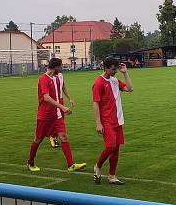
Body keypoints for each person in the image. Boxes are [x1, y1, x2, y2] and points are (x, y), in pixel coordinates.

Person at [27, 58, 86, 172]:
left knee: (63, 136)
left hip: (56, 115)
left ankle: (71, 165)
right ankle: (30, 163)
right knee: (38, 139)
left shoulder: (56, 78)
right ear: (56, 67)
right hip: (45, 115)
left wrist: (67, 101)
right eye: (61, 66)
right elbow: (46, 97)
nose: (62, 68)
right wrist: (63, 107)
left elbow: (61, 89)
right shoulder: (43, 78)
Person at [91, 57, 134, 185]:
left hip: (118, 120)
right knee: (110, 146)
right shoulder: (98, 83)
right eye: (113, 69)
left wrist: (125, 73)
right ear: (106, 67)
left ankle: (112, 175)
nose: (115, 71)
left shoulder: (115, 80)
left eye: (116, 68)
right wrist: (98, 123)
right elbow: (95, 103)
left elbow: (130, 88)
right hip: (106, 120)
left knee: (116, 149)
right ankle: (98, 166)